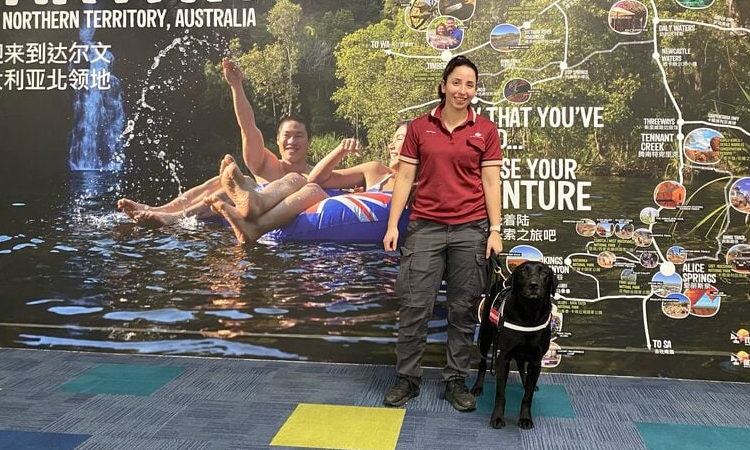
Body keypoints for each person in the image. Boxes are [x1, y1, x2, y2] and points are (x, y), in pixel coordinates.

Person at [381, 55, 503, 412]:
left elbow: (492, 181)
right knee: (414, 306)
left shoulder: (486, 131)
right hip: (425, 229)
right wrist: (393, 224)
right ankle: (407, 378)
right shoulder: (420, 128)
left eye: (470, 85)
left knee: (463, 310)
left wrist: (495, 230)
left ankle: (455, 380)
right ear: (443, 85)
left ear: (475, 91)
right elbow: (404, 178)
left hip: (471, 230)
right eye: (457, 83)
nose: (462, 91)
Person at [117, 56, 314, 226]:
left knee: (244, 181)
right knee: (221, 180)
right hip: (239, 209)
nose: (291, 141)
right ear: (277, 140)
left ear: (309, 141)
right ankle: (159, 209)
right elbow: (248, 126)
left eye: (299, 136)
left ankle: (175, 218)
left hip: (265, 212)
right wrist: (236, 86)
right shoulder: (265, 164)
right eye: (287, 135)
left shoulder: (315, 174)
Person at [205, 123, 411, 244]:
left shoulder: (423, 185)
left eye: (400, 139)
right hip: (330, 199)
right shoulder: (375, 171)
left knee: (310, 188)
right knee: (301, 180)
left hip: (345, 212)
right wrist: (340, 150)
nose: (391, 146)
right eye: (393, 139)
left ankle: (255, 226)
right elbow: (317, 178)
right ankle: (255, 203)